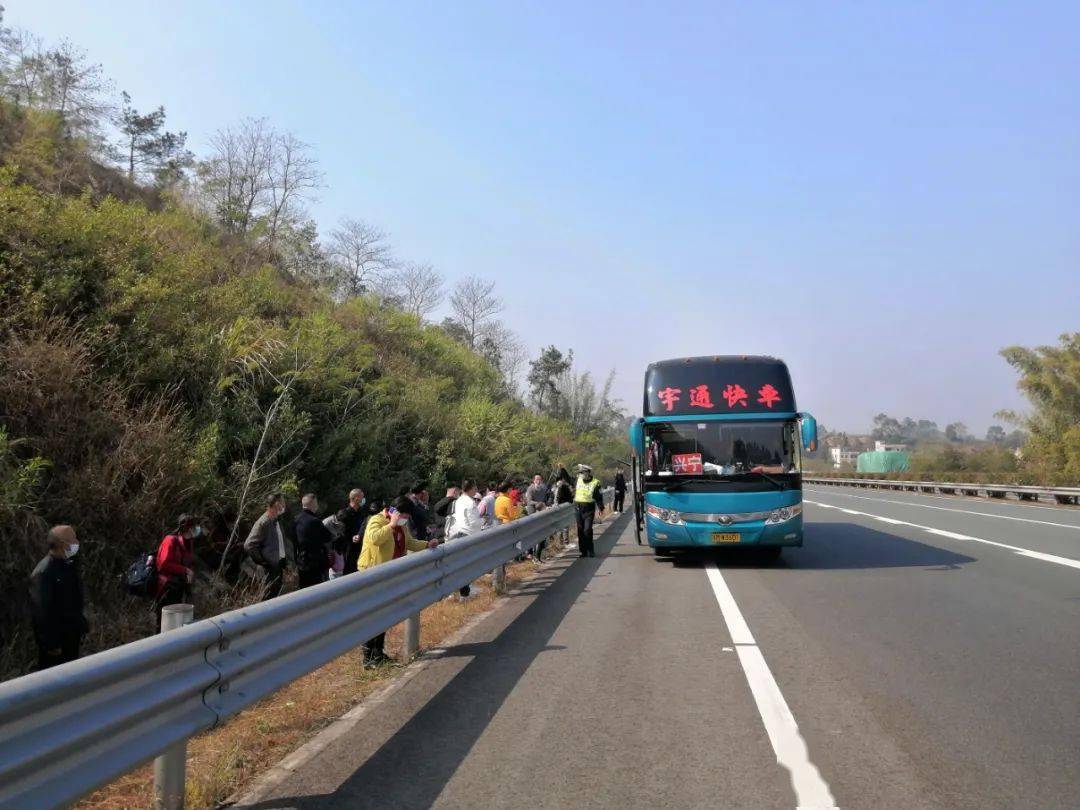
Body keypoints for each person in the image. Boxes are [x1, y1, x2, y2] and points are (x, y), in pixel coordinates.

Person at [358, 497, 439, 667]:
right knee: (375, 615)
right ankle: (368, 656)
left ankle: (378, 653)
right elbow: (374, 538)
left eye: (407, 517)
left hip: (390, 574)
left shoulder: (401, 525)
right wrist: (391, 525)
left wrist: (427, 545)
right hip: (372, 573)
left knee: (384, 614)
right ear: (395, 511)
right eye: (404, 515)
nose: (406, 519)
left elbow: (409, 543)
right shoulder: (377, 520)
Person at [29, 525, 88, 671]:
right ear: (63, 544)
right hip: (56, 644)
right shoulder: (44, 572)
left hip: (71, 636)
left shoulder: (69, 564)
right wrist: (50, 644)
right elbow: (40, 611)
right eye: (73, 539)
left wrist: (81, 624)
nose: (77, 542)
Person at [155, 514, 198, 631]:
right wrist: (185, 570)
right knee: (164, 622)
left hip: (178, 587)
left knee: (176, 622)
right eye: (195, 526)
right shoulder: (170, 540)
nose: (198, 529)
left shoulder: (189, 542)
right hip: (167, 588)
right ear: (189, 528)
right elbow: (163, 563)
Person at [245, 493, 289, 600]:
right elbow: (249, 545)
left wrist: (283, 562)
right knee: (268, 598)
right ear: (276, 503)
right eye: (283, 502)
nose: (284, 504)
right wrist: (263, 562)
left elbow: (279, 543)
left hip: (278, 566)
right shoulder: (263, 522)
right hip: (269, 570)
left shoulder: (277, 521)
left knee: (276, 597)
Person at [447, 479, 485, 599]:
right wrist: (484, 520)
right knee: (468, 566)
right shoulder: (470, 502)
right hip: (469, 535)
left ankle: (459, 591)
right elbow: (473, 522)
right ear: (471, 488)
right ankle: (465, 592)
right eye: (475, 488)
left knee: (461, 565)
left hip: (458, 534)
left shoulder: (459, 500)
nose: (476, 490)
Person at [295, 493, 334, 589]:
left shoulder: (296, 520)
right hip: (316, 563)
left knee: (304, 590)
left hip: (302, 562)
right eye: (316, 503)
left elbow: (294, 541)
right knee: (320, 590)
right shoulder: (314, 521)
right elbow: (327, 537)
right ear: (313, 504)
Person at [573, 464, 605, 558]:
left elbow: (598, 497)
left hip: (589, 509)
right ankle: (583, 552)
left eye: (582, 473)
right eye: (580, 473)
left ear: (587, 473)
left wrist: (601, 508)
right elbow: (568, 479)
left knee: (587, 530)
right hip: (578, 508)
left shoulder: (595, 482)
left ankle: (590, 550)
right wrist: (562, 469)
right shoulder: (578, 480)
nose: (580, 474)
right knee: (580, 530)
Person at [524, 474, 551, 562]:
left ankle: (539, 554)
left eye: (539, 479)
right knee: (532, 531)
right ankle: (530, 552)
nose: (538, 481)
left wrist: (547, 504)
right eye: (536, 479)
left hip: (541, 508)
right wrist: (539, 503)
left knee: (542, 532)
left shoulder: (543, 488)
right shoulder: (530, 489)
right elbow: (529, 501)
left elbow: (546, 499)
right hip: (532, 508)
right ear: (533, 480)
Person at [341, 488, 366, 575]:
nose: (363, 499)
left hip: (360, 548)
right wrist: (351, 537)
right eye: (362, 497)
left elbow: (363, 526)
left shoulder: (361, 512)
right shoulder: (344, 513)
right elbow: (341, 533)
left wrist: (359, 535)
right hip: (349, 549)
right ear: (355, 498)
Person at [323, 509, 349, 579]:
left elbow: (341, 533)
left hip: (337, 548)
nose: (342, 524)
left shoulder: (342, 522)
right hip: (327, 549)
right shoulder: (327, 522)